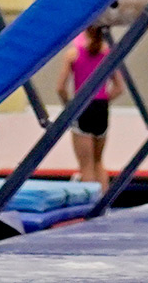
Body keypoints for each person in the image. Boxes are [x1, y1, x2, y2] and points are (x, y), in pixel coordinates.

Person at [59, 22, 116, 186]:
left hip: (82, 107)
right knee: (98, 162)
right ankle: (103, 206)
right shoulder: (108, 54)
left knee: (86, 165)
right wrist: (103, 98)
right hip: (101, 108)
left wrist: (69, 106)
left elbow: (60, 88)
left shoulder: (73, 54)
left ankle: (89, 208)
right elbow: (119, 88)